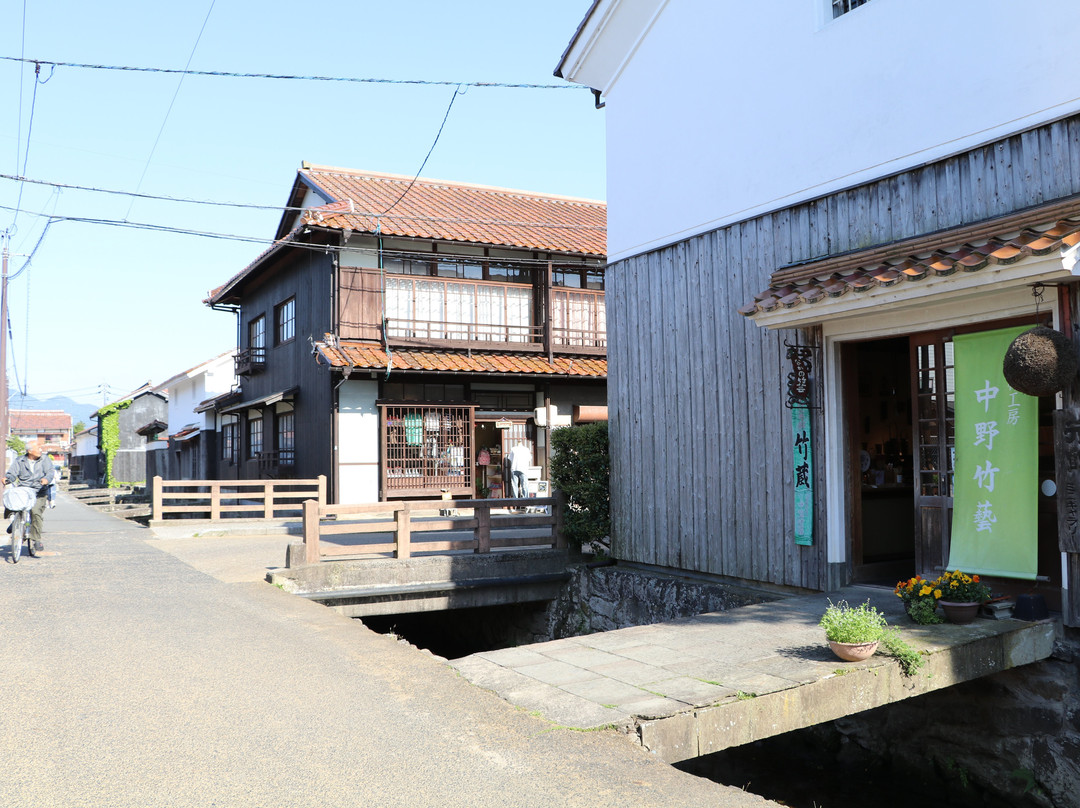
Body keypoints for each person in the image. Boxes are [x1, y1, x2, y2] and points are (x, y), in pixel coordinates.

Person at [4, 440, 56, 553]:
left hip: (39, 492)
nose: (40, 450)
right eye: (38, 447)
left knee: (35, 512)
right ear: (30, 451)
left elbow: (50, 472)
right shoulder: (20, 460)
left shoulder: (45, 459)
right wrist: (7, 478)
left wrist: (46, 479)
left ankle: (36, 540)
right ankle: (14, 523)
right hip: (24, 491)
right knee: (12, 501)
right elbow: (12, 473)